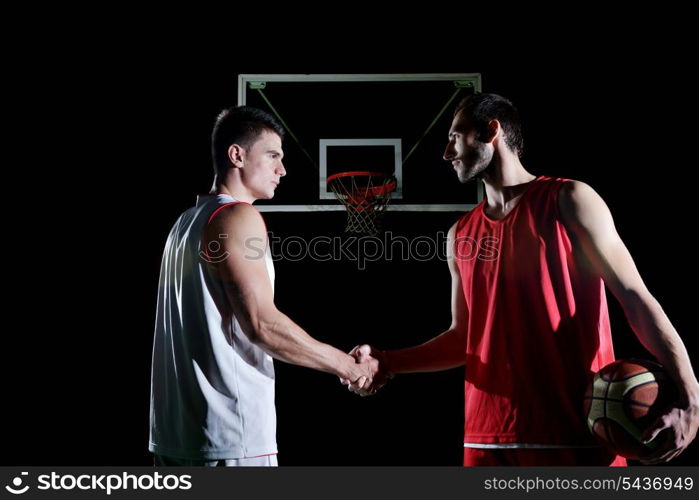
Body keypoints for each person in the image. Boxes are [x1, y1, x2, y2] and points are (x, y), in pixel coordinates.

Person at [348, 93, 699, 466]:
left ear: (491, 130)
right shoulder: (460, 235)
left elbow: (635, 298)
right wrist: (387, 361)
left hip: (575, 434)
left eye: (455, 137)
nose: (446, 153)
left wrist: (690, 394)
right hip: (487, 439)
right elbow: (464, 338)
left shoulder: (570, 200)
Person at [149, 106, 377, 466]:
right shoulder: (238, 216)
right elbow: (261, 324)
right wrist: (349, 367)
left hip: (174, 438)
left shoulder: (183, 224)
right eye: (272, 156)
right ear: (236, 155)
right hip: (229, 438)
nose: (282, 169)